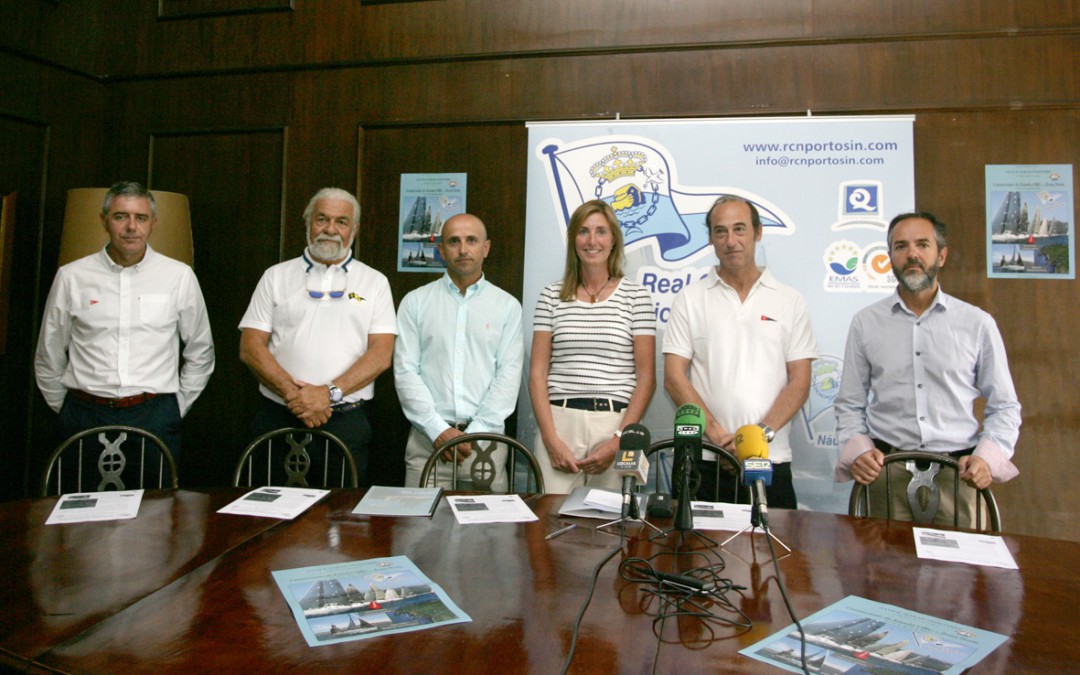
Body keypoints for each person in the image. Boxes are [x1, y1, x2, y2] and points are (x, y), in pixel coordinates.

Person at [833, 211, 1021, 525]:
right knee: (884, 571)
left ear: (941, 255)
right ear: (890, 256)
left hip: (959, 477)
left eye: (923, 245)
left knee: (958, 573)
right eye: (901, 246)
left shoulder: (976, 324)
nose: (912, 254)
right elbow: (849, 403)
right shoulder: (866, 323)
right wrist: (859, 451)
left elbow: (1005, 406)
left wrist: (987, 458)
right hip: (887, 474)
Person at [34, 181, 214, 467]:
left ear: (153, 223)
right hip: (84, 414)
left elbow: (201, 351)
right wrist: (66, 409)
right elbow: (48, 353)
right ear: (105, 221)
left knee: (156, 509)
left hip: (154, 415)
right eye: (121, 216)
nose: (131, 226)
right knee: (81, 507)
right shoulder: (72, 277)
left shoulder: (178, 276)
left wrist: (175, 408)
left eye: (140, 217)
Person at [663, 195, 818, 508]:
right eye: (720, 232)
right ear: (710, 238)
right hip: (706, 460)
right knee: (696, 556)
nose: (730, 241)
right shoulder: (690, 299)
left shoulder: (790, 300)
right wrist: (720, 439)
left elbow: (800, 381)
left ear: (758, 233)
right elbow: (673, 377)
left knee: (772, 553)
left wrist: (757, 438)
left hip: (770, 461)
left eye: (739, 229)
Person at [239, 187, 396, 481]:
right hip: (278, 416)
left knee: (341, 520)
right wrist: (293, 395)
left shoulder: (375, 282)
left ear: (355, 229)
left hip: (345, 421)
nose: (330, 229)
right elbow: (250, 346)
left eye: (341, 221)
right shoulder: (275, 276)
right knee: (269, 515)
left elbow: (381, 354)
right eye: (322, 219)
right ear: (308, 222)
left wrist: (328, 394)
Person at [529, 199, 656, 494]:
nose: (592, 240)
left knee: (610, 530)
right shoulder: (550, 296)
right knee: (552, 524)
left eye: (601, 231)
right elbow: (537, 373)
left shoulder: (636, 297)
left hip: (613, 424)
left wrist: (618, 441)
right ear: (573, 239)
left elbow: (647, 378)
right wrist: (551, 440)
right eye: (583, 231)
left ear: (613, 240)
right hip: (559, 425)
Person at [394, 214, 524, 489]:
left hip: (486, 445)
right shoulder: (415, 303)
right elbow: (405, 371)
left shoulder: (507, 306)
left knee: (487, 532)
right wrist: (437, 429)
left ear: (485, 248)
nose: (463, 249)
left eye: (471, 240)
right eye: (454, 241)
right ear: (440, 250)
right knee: (420, 531)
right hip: (427, 443)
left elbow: (508, 376)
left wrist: (472, 434)